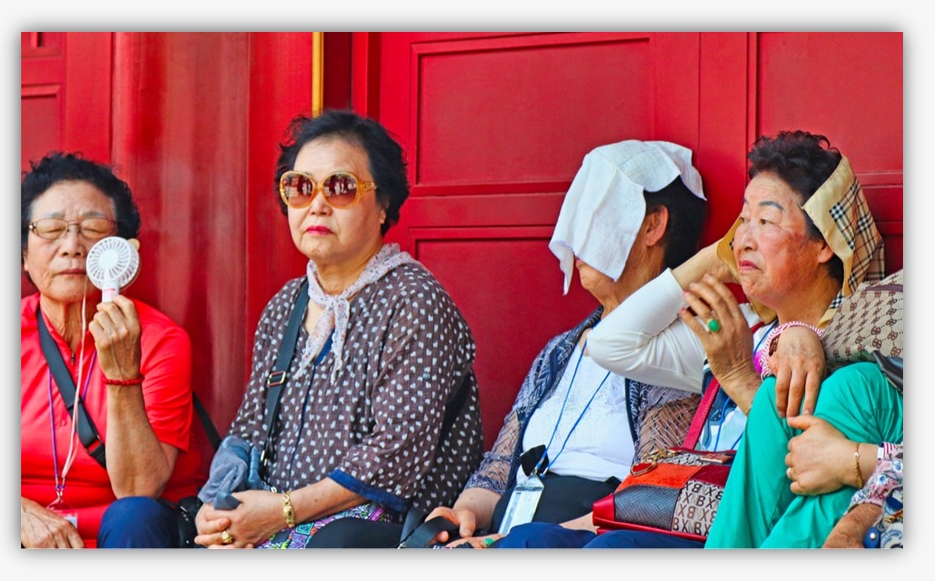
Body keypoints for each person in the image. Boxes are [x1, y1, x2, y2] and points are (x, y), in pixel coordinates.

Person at [507, 130, 889, 549]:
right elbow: (610, 343)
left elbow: (808, 466)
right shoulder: (740, 327)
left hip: (738, 533)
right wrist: (714, 259)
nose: (744, 239)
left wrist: (739, 376)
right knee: (529, 541)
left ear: (824, 245)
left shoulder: (853, 349)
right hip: (681, 514)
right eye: (742, 221)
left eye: (765, 221)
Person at [192, 110, 484, 549]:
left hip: (374, 529)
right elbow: (250, 430)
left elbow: (395, 454)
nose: (317, 204)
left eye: (341, 187)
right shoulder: (285, 306)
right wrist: (215, 509)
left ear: (383, 204)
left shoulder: (413, 299)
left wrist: (281, 511)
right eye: (300, 187)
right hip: (271, 519)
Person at [419, 140, 709, 549]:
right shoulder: (559, 351)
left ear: (652, 226)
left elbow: (650, 497)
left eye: (596, 215)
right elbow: (497, 471)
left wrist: (504, 542)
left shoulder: (680, 348)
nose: (576, 236)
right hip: (510, 538)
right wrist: (463, 514)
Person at [21, 152, 201, 548]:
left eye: (93, 228)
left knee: (135, 514)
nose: (72, 246)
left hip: (122, 537)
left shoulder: (160, 340)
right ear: (23, 255)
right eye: (50, 229)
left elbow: (139, 488)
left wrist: (122, 375)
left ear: (124, 251)